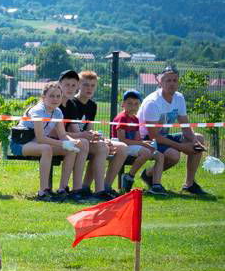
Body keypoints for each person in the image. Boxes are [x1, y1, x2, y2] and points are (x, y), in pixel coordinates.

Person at [9, 82, 85, 201]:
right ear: (43, 97)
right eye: (51, 96)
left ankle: (62, 189)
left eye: (58, 96)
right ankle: (43, 192)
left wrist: (74, 142)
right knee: (46, 148)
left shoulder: (58, 112)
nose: (55, 99)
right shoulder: (38, 110)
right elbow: (41, 138)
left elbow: (62, 135)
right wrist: (63, 144)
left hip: (38, 144)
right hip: (21, 143)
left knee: (71, 151)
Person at [138, 65, 208, 195]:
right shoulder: (152, 102)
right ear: (160, 82)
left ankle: (189, 184)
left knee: (199, 138)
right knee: (174, 155)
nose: (172, 84)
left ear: (178, 82)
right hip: (147, 140)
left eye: (174, 80)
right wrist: (181, 147)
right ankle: (148, 174)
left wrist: (194, 142)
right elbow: (154, 136)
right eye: (168, 80)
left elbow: (185, 127)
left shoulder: (179, 98)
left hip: (163, 137)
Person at [62, 70, 124, 199]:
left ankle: (104, 187)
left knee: (121, 147)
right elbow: (75, 131)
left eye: (92, 85)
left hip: (84, 138)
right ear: (79, 85)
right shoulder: (71, 102)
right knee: (102, 147)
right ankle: (97, 190)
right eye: (86, 85)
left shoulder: (92, 105)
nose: (89, 88)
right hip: (73, 139)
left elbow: (90, 129)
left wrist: (100, 137)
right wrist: (97, 139)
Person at [111, 89, 164, 192]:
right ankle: (129, 176)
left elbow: (137, 138)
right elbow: (122, 139)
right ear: (123, 104)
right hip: (120, 145)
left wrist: (146, 144)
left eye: (136, 104)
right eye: (129, 103)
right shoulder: (122, 118)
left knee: (159, 155)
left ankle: (156, 185)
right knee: (146, 152)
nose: (133, 106)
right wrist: (142, 144)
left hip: (132, 145)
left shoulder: (135, 119)